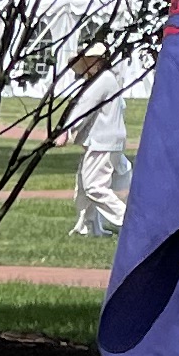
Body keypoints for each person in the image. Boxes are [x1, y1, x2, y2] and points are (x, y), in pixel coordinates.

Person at [68, 48, 135, 237]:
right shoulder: (108, 79)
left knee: (93, 186)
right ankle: (89, 226)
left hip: (103, 142)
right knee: (83, 184)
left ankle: (128, 222)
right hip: (105, 141)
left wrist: (67, 130)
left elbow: (84, 108)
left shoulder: (103, 80)